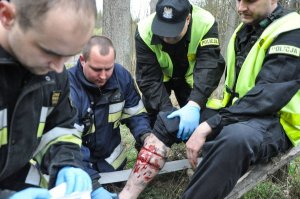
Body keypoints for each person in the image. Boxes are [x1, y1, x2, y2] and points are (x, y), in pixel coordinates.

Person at [120, 0, 300, 198]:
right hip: (239, 112)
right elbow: (148, 78)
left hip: (276, 121)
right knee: (170, 120)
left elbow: (268, 96)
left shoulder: (291, 31)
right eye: (238, 0)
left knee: (233, 140)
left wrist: (208, 121)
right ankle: (128, 194)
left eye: (249, 1)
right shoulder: (247, 28)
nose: (240, 8)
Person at [0, 0, 97, 198]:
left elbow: (59, 128)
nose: (59, 69)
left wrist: (67, 163)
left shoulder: (52, 72)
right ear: (7, 16)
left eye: (68, 56)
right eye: (50, 52)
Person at [68, 35, 152, 198]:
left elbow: (136, 114)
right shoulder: (68, 89)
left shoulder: (122, 77)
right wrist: (92, 184)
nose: (104, 76)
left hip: (113, 167)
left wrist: (145, 136)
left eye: (109, 68)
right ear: (82, 60)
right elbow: (68, 145)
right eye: (97, 69)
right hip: (80, 170)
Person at [135, 0, 225, 141]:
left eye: (173, 33)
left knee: (202, 121)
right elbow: (148, 79)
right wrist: (168, 114)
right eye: (163, 32)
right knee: (155, 119)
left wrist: (194, 104)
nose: (167, 38)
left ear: (187, 19)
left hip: (191, 80)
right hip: (161, 79)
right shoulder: (144, 30)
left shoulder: (205, 23)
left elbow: (209, 67)